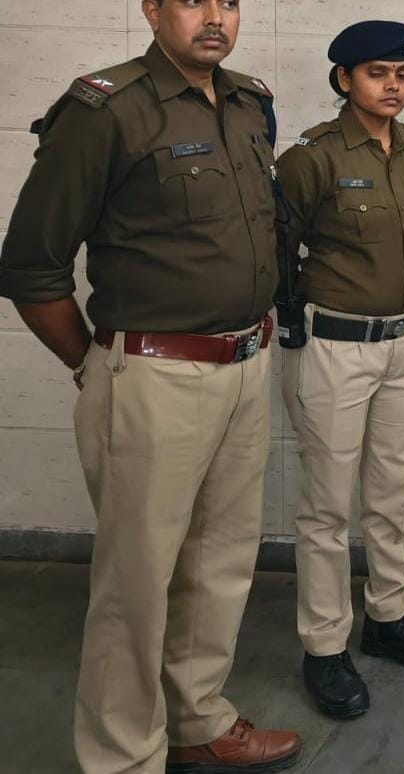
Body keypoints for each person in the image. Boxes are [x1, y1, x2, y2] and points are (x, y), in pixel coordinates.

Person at [0, 0, 302, 770]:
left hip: (245, 364)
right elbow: (31, 266)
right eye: (194, 0)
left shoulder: (249, 103)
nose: (215, 17)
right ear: (153, 9)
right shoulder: (105, 110)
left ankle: (197, 720)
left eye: (229, 2)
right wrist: (95, 364)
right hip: (154, 375)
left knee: (219, 564)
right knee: (135, 586)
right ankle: (122, 756)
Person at [274, 20, 404, 721]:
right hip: (336, 346)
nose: (393, 86)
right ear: (344, 79)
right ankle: (324, 646)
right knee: (326, 505)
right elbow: (276, 251)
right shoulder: (311, 157)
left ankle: (389, 615)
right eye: (378, 73)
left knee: (391, 488)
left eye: (402, 73)